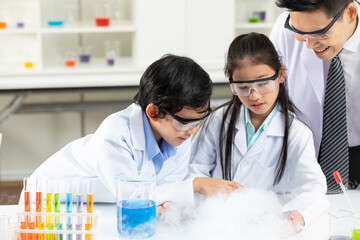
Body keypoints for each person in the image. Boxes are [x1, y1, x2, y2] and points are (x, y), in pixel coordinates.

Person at [26, 54, 212, 208]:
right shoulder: (116, 134)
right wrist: (195, 186)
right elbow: (131, 195)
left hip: (103, 202)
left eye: (199, 121)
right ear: (154, 112)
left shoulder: (179, 136)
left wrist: (170, 206)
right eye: (185, 122)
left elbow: (169, 188)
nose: (193, 131)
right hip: (49, 201)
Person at [188, 33, 329, 228]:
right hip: (217, 223)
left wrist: (299, 214)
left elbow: (313, 189)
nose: (254, 96)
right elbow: (193, 171)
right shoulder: (218, 121)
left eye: (263, 83)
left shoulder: (297, 133)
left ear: (280, 75)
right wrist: (202, 184)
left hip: (268, 226)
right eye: (243, 87)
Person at [270, 0, 360, 192]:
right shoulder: (285, 28)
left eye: (319, 33)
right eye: (300, 33)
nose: (309, 45)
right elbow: (271, 99)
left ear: (350, 13)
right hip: (310, 155)